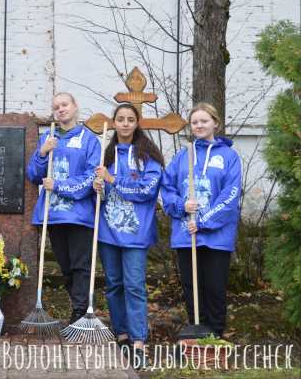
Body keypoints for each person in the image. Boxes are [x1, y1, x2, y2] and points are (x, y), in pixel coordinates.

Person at [161, 102, 242, 338]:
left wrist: (204, 221)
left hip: (216, 236)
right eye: (195, 122)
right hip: (187, 234)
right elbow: (167, 188)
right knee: (191, 286)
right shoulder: (182, 156)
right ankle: (196, 331)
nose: (199, 125)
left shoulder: (229, 157)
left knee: (215, 287)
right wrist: (181, 205)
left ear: (215, 123)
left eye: (204, 121)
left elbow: (231, 194)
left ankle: (215, 334)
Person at [93, 103, 163, 365]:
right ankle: (121, 334)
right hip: (108, 232)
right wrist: (97, 186)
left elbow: (147, 190)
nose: (124, 123)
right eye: (120, 119)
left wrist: (113, 181)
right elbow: (99, 196)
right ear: (114, 123)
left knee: (134, 286)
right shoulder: (105, 155)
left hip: (136, 233)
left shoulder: (148, 156)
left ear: (137, 123)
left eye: (130, 119)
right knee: (113, 285)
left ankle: (138, 341)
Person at [26, 92, 101, 323]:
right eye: (56, 106)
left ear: (75, 106)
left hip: (79, 216)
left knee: (81, 265)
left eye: (65, 104)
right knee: (66, 267)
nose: (61, 109)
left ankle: (80, 311)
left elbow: (91, 177)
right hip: (54, 214)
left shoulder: (89, 140)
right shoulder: (47, 137)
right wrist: (42, 153)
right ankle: (77, 305)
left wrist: (58, 185)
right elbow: (33, 175)